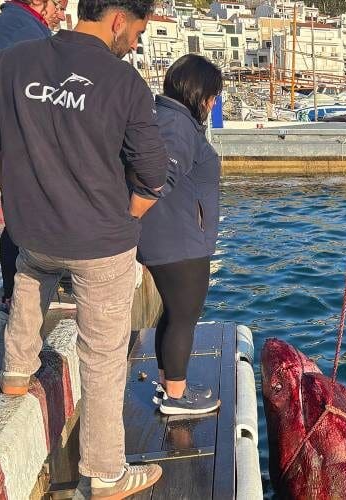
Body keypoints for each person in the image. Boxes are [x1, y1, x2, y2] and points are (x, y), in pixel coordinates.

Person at [0, 0, 169, 497]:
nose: (136, 43)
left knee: (32, 275)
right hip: (99, 244)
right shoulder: (125, 85)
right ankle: (106, 473)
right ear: (118, 19)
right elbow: (153, 176)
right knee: (104, 357)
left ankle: (15, 370)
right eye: (137, 31)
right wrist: (128, 216)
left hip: (33, 233)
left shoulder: (13, 63)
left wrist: (16, 190)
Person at [135, 55, 223, 416]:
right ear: (200, 93)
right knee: (184, 316)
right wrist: (128, 218)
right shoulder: (178, 126)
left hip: (171, 237)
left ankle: (169, 385)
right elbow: (160, 176)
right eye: (214, 95)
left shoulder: (166, 116)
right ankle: (177, 397)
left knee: (172, 314)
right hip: (180, 241)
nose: (214, 103)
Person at [0, 0, 61, 319]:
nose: (60, 13)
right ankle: (18, 299)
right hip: (22, 144)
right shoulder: (25, 31)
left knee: (17, 218)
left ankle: (12, 295)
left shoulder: (6, 27)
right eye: (58, 5)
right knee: (24, 223)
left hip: (10, 142)